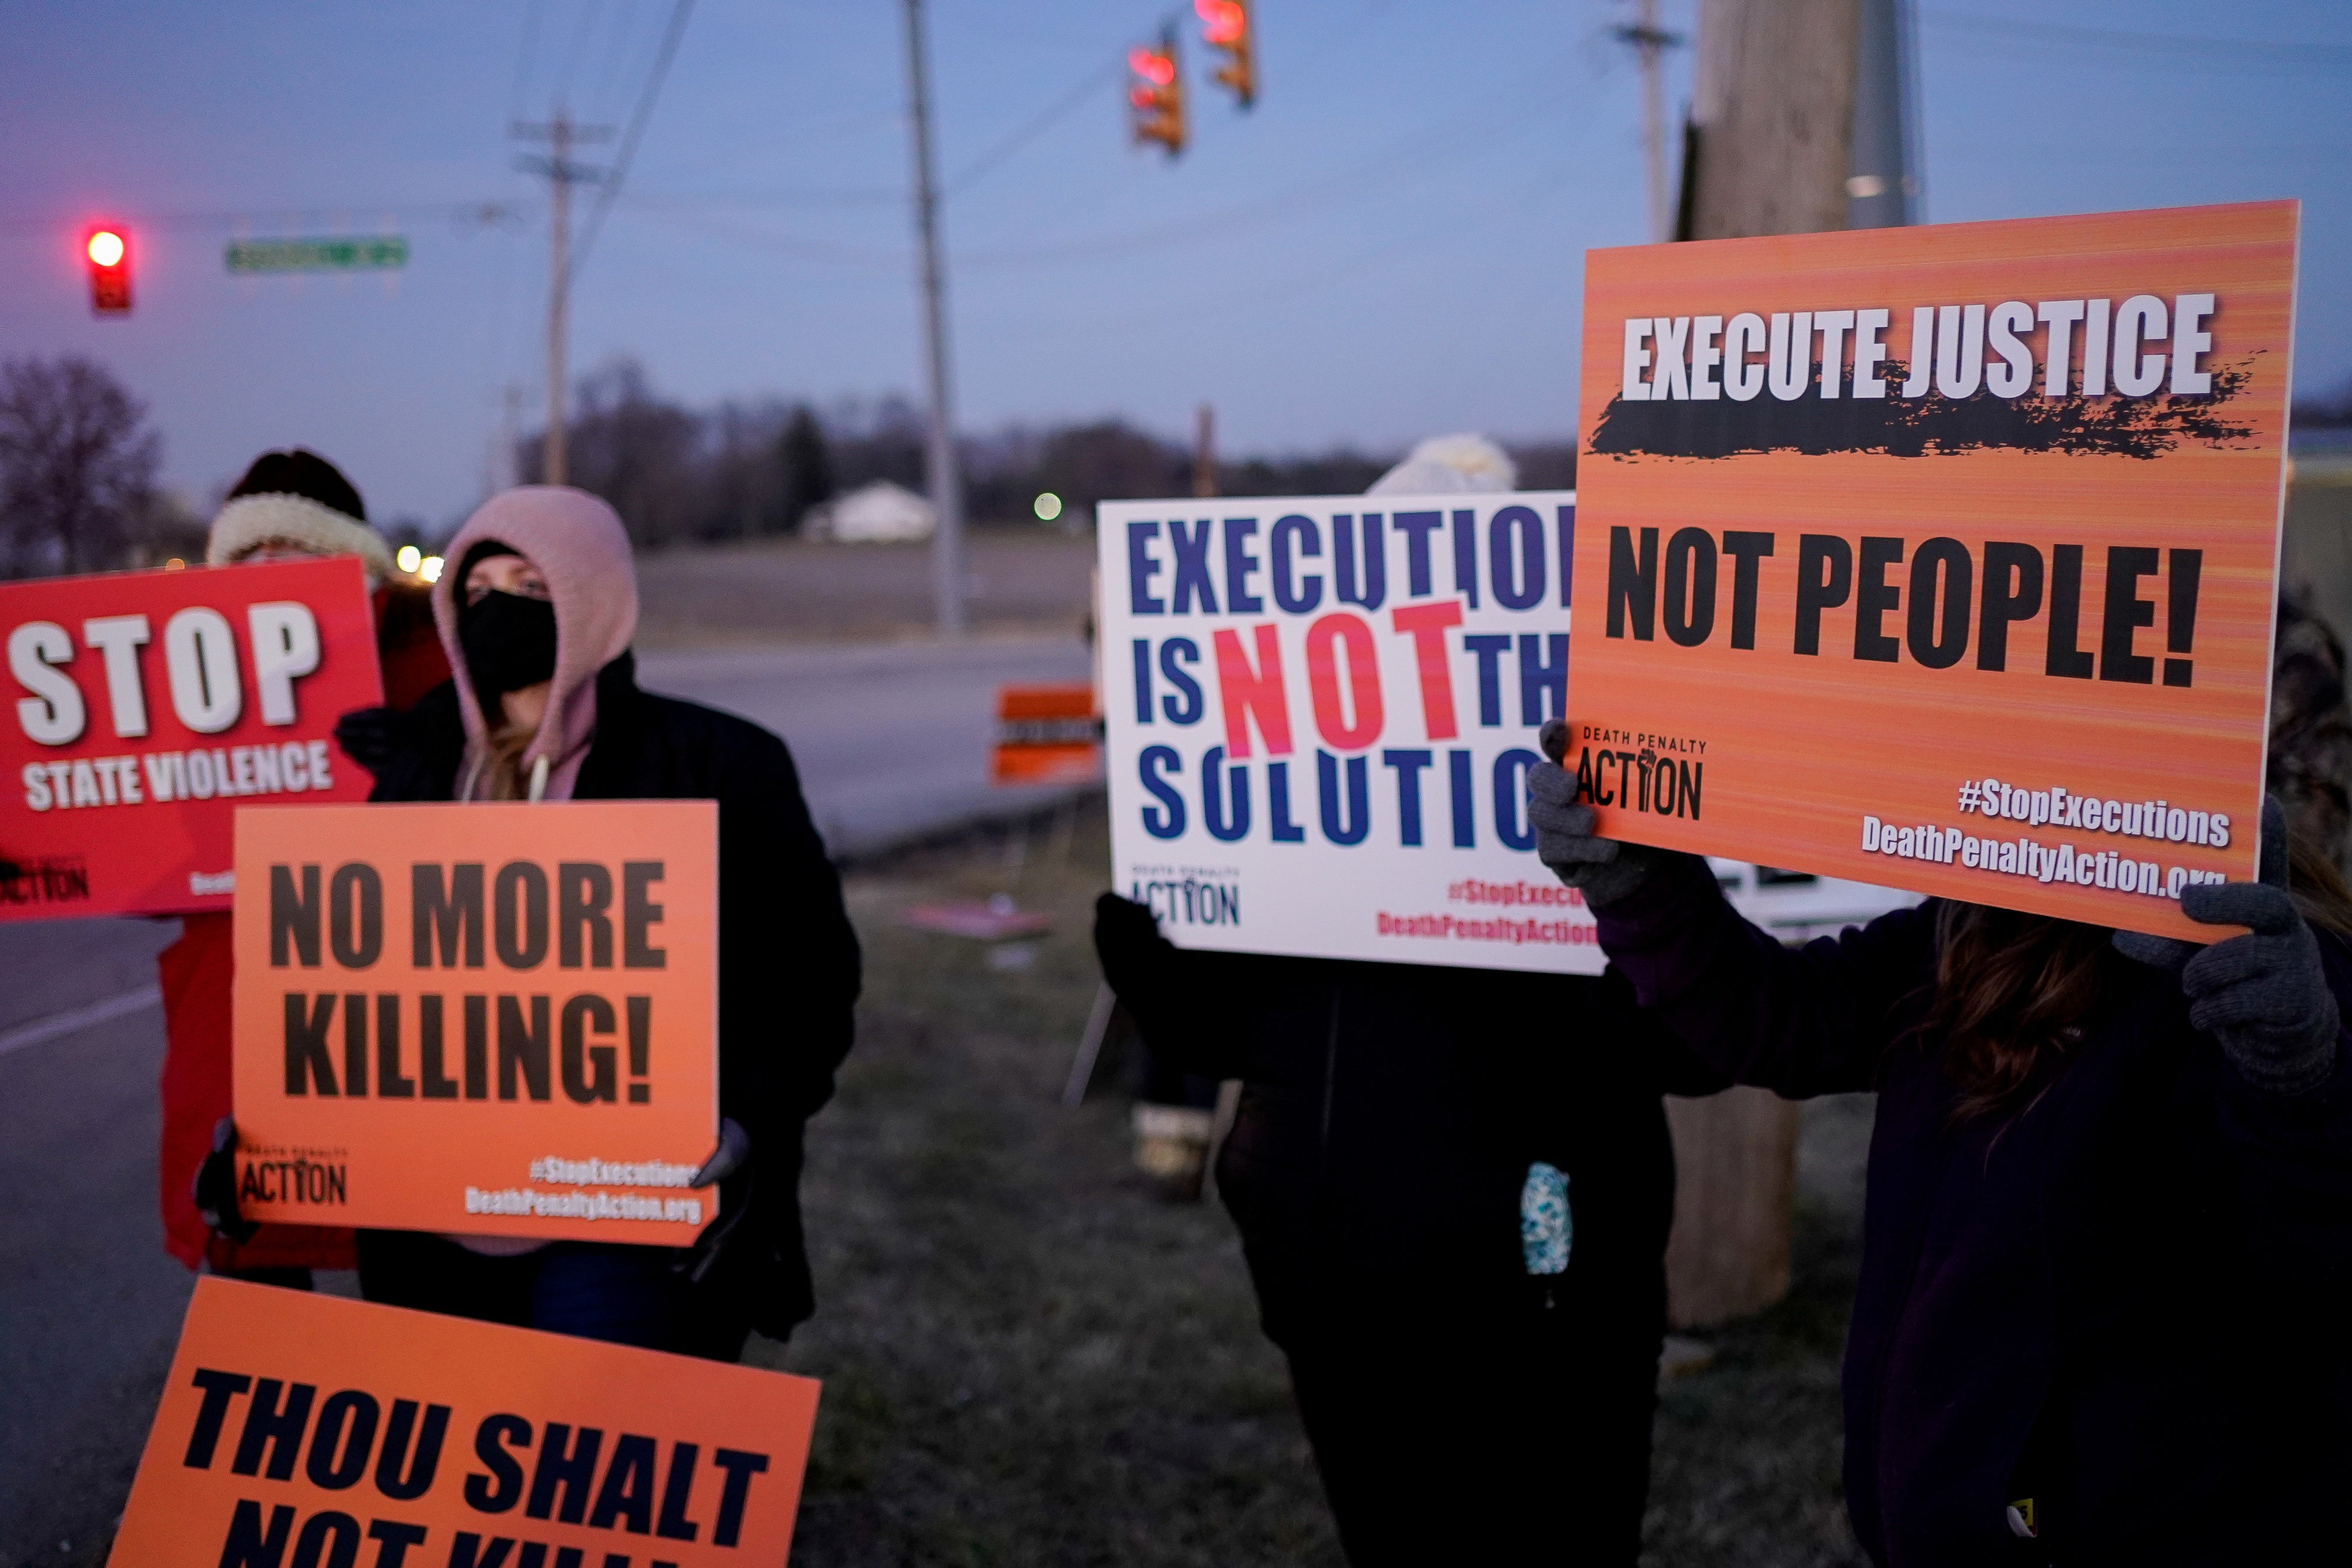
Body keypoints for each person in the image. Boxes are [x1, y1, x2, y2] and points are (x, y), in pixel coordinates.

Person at [1091, 436, 1729, 1564]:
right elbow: (1213, 1036)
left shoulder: (1605, 806)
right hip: (1348, 1280)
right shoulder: (1280, 813)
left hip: (1548, 1286)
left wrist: (1643, 896)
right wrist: (1147, 953)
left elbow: (1698, 1043)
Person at [1528, 726, 2352, 1563]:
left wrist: (2297, 1072)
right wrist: (1643, 883)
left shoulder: (2276, 981)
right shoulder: (1980, 924)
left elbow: (2319, 1259)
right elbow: (1788, 1021)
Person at [328, 484, 862, 1359]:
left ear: (597, 602)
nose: (497, 611)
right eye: (476, 590)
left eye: (531, 588)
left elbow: (810, 978)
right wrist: (279, 1120)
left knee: (597, 1430)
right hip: (436, 1211)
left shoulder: (720, 764)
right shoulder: (416, 774)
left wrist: (746, 1119)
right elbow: (351, 981)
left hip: (625, 1209)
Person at [163, 449, 448, 1285]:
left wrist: (419, 768)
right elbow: (151, 846)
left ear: (351, 556)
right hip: (234, 1012)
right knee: (256, 1275)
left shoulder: (432, 658)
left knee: (417, 1267)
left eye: (294, 546)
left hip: (395, 1006)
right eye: (248, 552)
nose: (270, 567)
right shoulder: (183, 674)